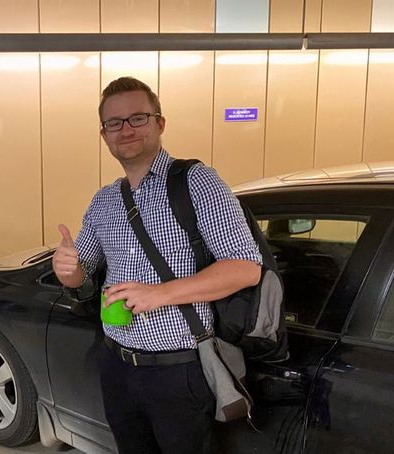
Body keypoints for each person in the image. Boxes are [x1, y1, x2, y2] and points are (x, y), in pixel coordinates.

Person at [52, 76, 262, 454]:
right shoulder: (103, 202)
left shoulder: (198, 182)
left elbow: (245, 266)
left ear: (160, 123)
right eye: (114, 123)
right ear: (104, 135)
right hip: (116, 363)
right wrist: (68, 269)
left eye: (137, 118)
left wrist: (160, 294)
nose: (126, 130)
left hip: (178, 370)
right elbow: (82, 280)